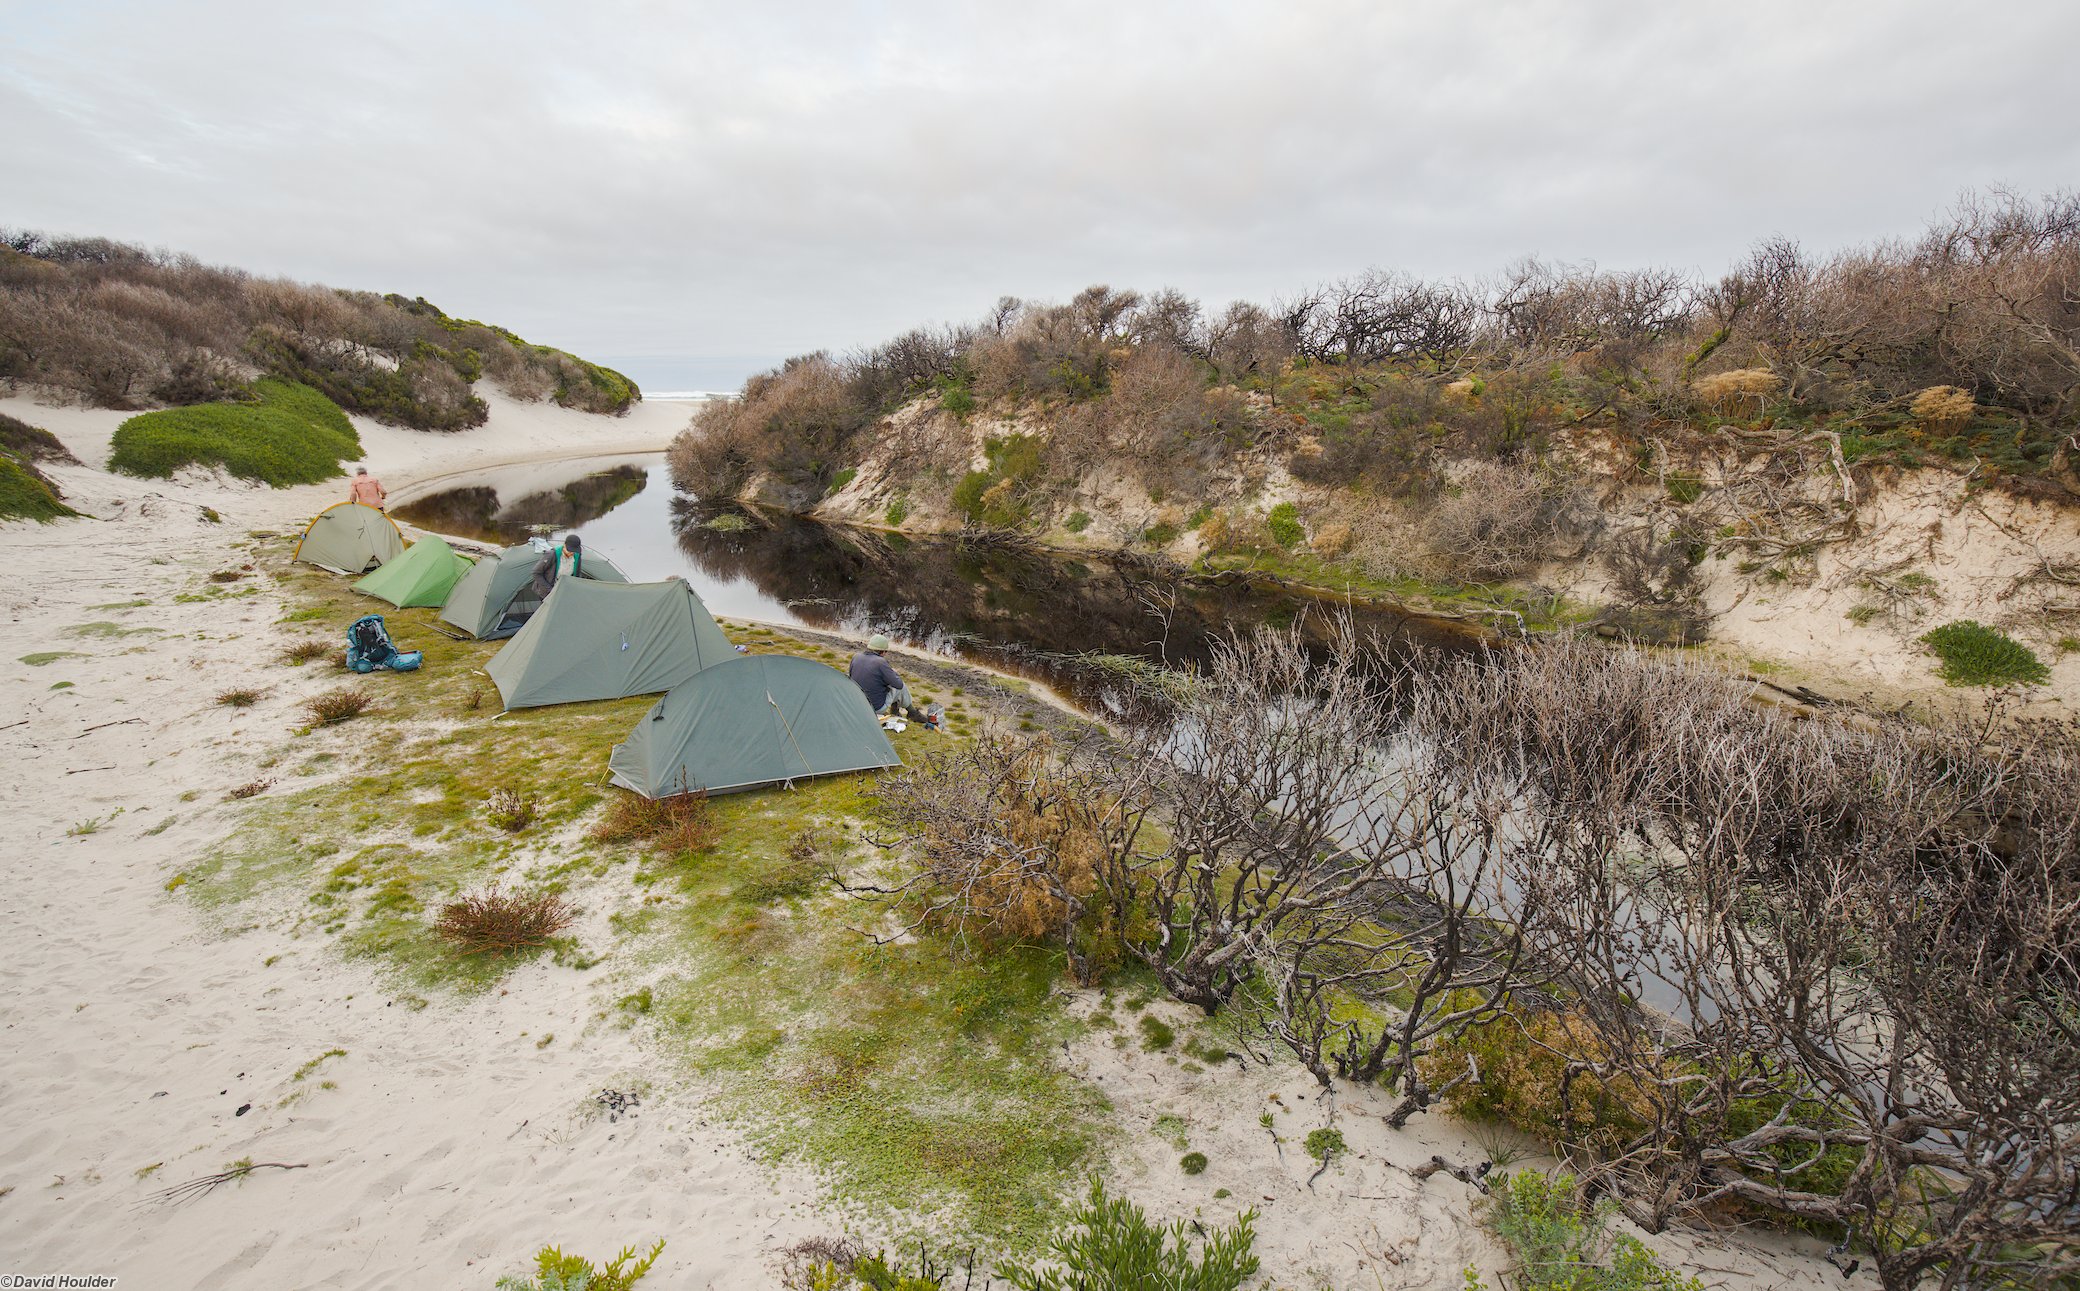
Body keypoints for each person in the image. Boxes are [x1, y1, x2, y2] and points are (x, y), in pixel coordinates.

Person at [849, 633, 935, 727]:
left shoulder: (856, 657)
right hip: (875, 708)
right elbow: (898, 684)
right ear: (883, 652)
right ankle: (912, 713)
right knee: (900, 687)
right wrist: (893, 673)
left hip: (856, 703)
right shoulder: (880, 662)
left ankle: (897, 710)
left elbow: (851, 676)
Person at [530, 533, 585, 601]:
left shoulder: (577, 555)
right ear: (564, 545)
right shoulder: (552, 554)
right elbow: (536, 573)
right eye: (569, 550)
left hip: (564, 591)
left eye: (574, 551)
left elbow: (577, 574)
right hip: (547, 592)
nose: (571, 553)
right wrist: (550, 590)